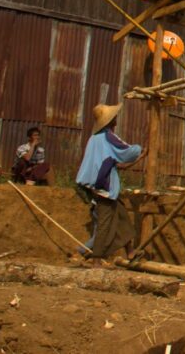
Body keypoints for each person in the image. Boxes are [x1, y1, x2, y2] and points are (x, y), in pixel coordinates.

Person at [75, 103, 146, 261]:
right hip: (104, 187)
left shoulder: (94, 139)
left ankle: (130, 251)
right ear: (109, 121)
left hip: (95, 185)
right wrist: (139, 150)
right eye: (114, 117)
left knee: (122, 218)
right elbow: (126, 150)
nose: (116, 118)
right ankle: (97, 258)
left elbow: (113, 162)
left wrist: (138, 158)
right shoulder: (108, 136)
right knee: (105, 225)